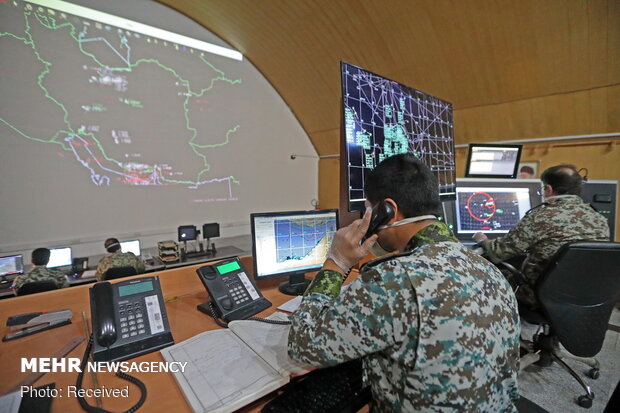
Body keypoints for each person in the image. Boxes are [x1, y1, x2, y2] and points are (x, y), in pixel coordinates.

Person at [288, 154, 520, 411]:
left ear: (387, 211)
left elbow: (303, 346)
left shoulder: (392, 279)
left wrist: (337, 261)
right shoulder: (488, 267)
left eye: (368, 210)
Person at [475, 164, 610, 310]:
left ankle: (502, 326)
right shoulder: (598, 218)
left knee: (486, 274)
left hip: (539, 295)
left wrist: (482, 239)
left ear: (549, 189)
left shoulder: (539, 217)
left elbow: (498, 252)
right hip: (589, 294)